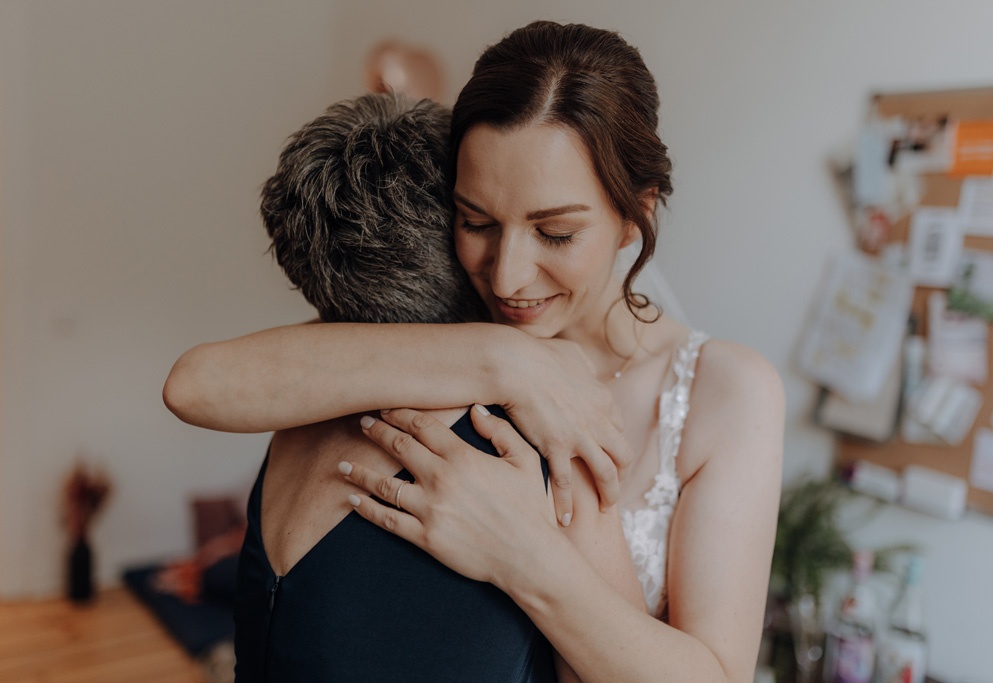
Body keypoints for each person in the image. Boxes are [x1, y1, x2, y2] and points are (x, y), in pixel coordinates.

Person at [164, 21, 784, 683]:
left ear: (636, 213)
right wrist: (502, 356)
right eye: (476, 221)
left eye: (556, 232)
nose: (508, 275)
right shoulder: (439, 336)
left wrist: (525, 557)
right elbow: (198, 383)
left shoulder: (727, 391)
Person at [224, 92, 641, 682]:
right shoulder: (535, 433)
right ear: (451, 236)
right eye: (478, 221)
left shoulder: (294, 407)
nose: (508, 268)